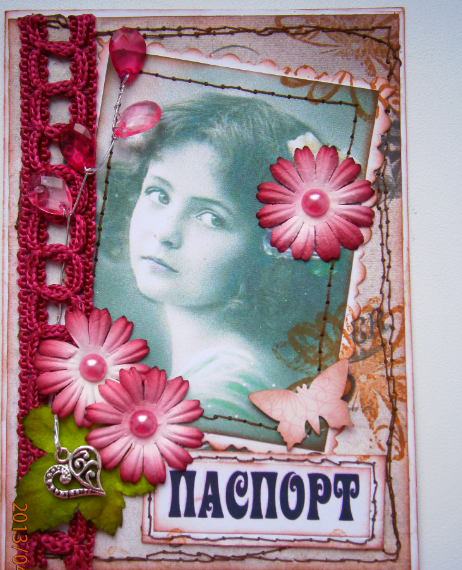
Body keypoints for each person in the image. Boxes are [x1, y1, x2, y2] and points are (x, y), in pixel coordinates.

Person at [124, 93, 322, 420]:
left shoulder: (222, 396)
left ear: (270, 247)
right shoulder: (219, 371)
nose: (165, 232)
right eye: (159, 194)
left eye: (211, 218)